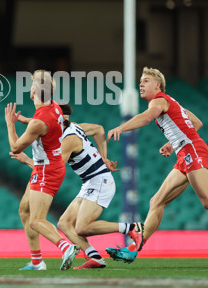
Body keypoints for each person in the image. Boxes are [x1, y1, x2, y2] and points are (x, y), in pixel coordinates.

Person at [104, 67, 208, 262]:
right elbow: (196, 122)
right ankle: (133, 249)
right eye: (141, 80)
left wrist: (121, 127)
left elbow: (145, 118)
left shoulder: (159, 101)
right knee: (156, 201)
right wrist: (172, 144)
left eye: (146, 81)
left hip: (193, 150)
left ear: (158, 85)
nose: (141, 84)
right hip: (184, 153)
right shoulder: (170, 103)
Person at [12, 103, 139, 269]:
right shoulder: (74, 127)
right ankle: (95, 258)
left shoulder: (67, 140)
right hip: (91, 181)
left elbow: (53, 169)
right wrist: (104, 158)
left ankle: (131, 228)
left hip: (99, 180)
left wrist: (27, 160)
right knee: (64, 224)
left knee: (81, 227)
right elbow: (99, 129)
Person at [5, 70, 80, 271]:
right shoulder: (53, 107)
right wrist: (26, 121)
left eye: (31, 85)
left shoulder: (39, 122)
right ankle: (37, 261)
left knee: (36, 220)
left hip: (47, 169)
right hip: (47, 165)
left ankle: (66, 247)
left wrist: (10, 124)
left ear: (34, 91)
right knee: (24, 210)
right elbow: (43, 123)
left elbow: (15, 147)